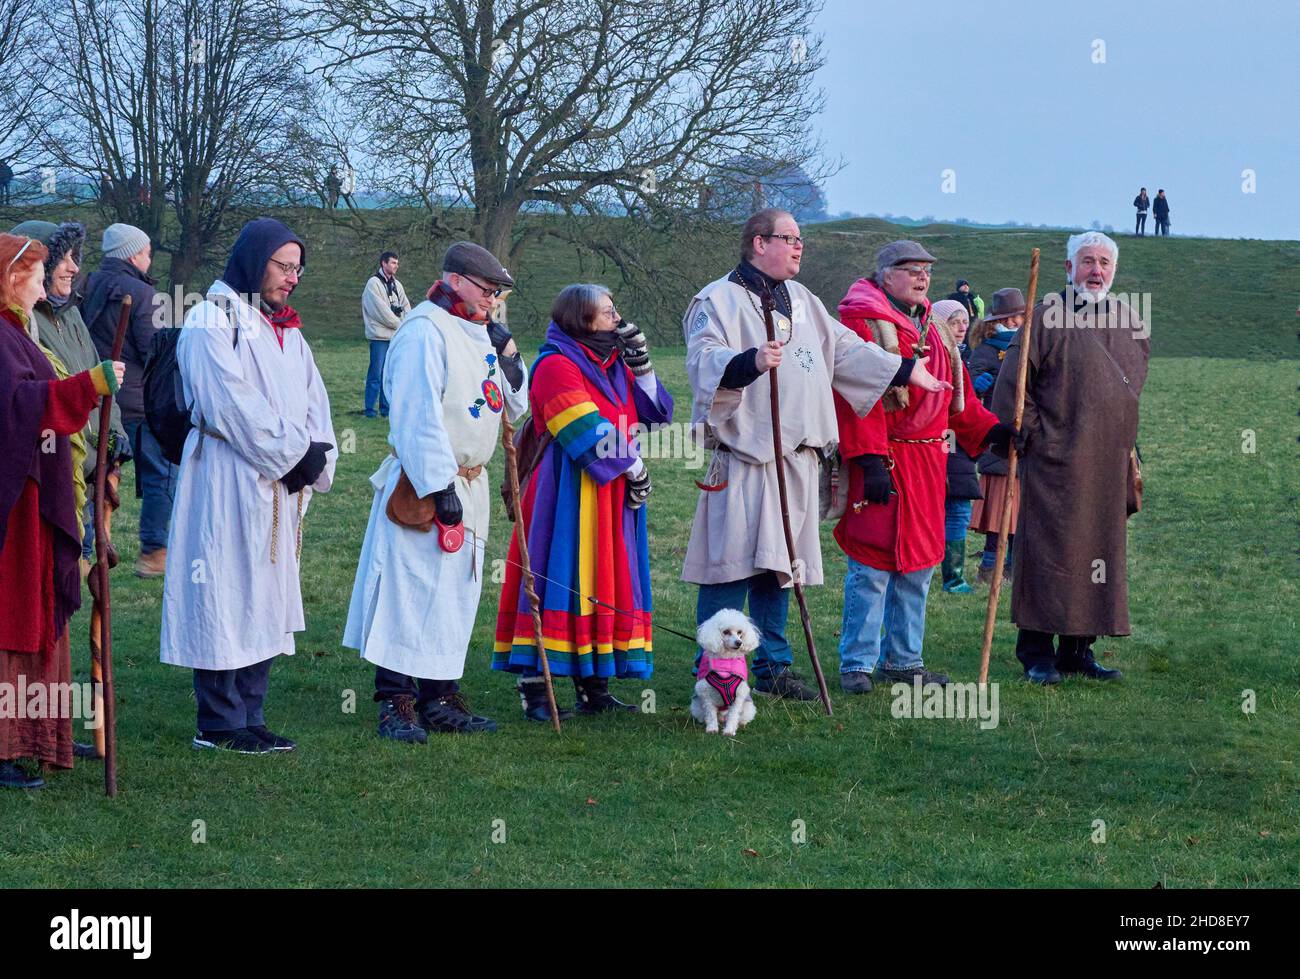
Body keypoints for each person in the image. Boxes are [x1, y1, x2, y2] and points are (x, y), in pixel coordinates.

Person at [682, 210, 950, 701]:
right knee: (730, 564)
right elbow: (701, 357)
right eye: (789, 238)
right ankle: (714, 666)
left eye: (800, 238)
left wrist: (903, 369)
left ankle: (773, 667)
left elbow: (845, 350)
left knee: (780, 566)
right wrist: (748, 361)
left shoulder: (803, 301)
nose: (799, 246)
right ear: (759, 243)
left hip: (799, 461)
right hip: (747, 457)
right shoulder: (717, 299)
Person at [160, 218, 337, 753]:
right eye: (284, 266)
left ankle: (251, 713)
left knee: (264, 593)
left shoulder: (286, 329)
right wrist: (293, 454)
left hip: (277, 484)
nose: (293, 278)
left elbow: (315, 401)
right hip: (224, 478)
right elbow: (229, 404)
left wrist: (316, 456)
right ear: (254, 261)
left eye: (297, 268)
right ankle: (218, 721)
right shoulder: (211, 320)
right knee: (223, 589)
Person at [345, 242, 528, 739]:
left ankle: (440, 695)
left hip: (473, 483)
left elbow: (507, 407)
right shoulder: (424, 329)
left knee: (454, 591)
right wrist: (438, 485)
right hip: (429, 484)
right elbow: (414, 411)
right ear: (455, 280)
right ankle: (395, 700)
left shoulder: (479, 332)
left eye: (496, 294)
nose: (492, 300)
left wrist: (511, 363)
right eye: (486, 290)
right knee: (411, 587)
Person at [832, 242, 1013, 693]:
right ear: (886, 274)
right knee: (872, 564)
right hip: (885, 459)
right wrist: (869, 459)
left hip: (928, 464)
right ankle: (857, 661)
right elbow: (854, 395)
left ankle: (904, 660)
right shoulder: (861, 320)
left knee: (918, 566)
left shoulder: (933, 325)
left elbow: (960, 394)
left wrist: (992, 432)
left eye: (927, 271)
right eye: (911, 270)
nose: (922, 278)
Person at [492, 285, 673, 721]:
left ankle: (595, 686)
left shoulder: (611, 363)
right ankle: (537, 689)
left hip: (610, 493)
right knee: (559, 576)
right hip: (565, 492)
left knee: (604, 580)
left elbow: (655, 413)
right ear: (581, 320)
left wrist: (643, 366)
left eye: (615, 310)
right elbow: (580, 425)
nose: (617, 319)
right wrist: (633, 466)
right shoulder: (556, 363)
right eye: (607, 313)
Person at [992, 231, 1147, 684]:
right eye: (1087, 262)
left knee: (1096, 553)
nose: (1096, 271)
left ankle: (1079, 650)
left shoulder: (1129, 321)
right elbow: (1012, 392)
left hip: (1106, 462)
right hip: (1053, 463)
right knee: (1048, 554)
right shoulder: (1044, 318)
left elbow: (1130, 391)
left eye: (1104, 263)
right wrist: (1040, 439)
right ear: (1068, 268)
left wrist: (1123, 447)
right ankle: (1037, 653)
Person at [0, 232, 125, 788]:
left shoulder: (19, 332)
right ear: (10, 278)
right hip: (16, 505)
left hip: (39, 500)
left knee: (39, 611)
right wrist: (88, 387)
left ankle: (32, 735)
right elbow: (23, 406)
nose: (41, 280)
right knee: (13, 616)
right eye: (32, 272)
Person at [11, 221, 130, 572]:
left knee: (80, 570)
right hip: (61, 472)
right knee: (58, 577)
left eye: (74, 257)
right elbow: (46, 399)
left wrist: (116, 438)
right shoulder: (25, 322)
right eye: (62, 258)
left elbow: (102, 380)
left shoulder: (73, 314)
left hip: (93, 471)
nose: (74, 267)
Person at [82, 223, 176, 578]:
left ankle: (87, 549)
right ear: (133, 254)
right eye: (148, 251)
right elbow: (153, 349)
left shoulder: (87, 285)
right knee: (161, 473)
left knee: (98, 473)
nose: (150, 258)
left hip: (97, 398)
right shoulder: (142, 293)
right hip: (137, 404)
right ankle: (154, 551)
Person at [967, 287, 1026, 584]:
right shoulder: (987, 349)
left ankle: (1014, 567)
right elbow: (968, 391)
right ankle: (990, 568)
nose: (1017, 321)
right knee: (998, 512)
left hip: (1023, 437)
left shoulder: (1028, 346)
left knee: (1019, 511)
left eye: (1020, 316)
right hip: (996, 438)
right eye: (1013, 317)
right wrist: (979, 385)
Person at [932, 299, 979, 594]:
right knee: (952, 508)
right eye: (954, 322)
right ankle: (951, 577)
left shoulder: (961, 356)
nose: (962, 327)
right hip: (945, 442)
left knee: (959, 509)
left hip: (958, 444)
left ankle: (954, 574)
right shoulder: (939, 356)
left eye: (964, 321)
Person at [361, 250, 411, 418]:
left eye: (397, 263)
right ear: (384, 263)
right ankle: (369, 409)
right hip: (379, 337)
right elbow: (380, 311)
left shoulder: (397, 285)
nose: (396, 266)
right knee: (375, 373)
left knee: (389, 375)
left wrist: (407, 322)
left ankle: (386, 408)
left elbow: (405, 306)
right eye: (393, 263)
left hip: (394, 337)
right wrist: (401, 325)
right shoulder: (373, 284)